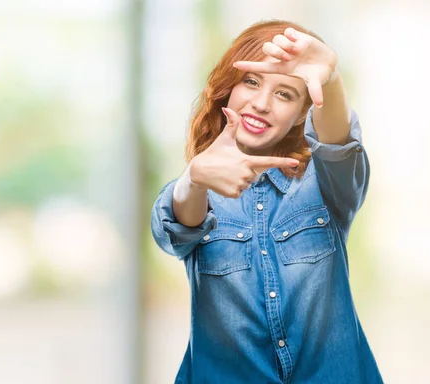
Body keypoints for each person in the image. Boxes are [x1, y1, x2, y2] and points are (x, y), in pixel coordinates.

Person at [150, 19, 383, 383]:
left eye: (285, 94)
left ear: (300, 117)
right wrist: (194, 177)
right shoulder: (196, 191)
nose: (260, 104)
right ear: (229, 87)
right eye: (252, 82)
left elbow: (339, 146)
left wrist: (330, 79)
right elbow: (178, 226)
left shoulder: (324, 189)